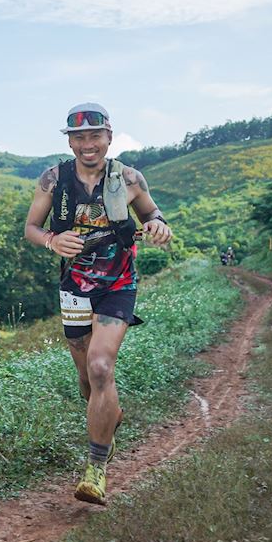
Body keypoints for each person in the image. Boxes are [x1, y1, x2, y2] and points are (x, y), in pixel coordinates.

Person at [24, 102, 173, 505]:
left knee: (102, 366)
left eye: (95, 136)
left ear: (109, 136)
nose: (87, 145)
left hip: (118, 284)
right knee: (88, 382)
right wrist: (53, 240)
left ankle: (96, 469)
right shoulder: (53, 180)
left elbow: (153, 214)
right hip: (74, 286)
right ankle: (109, 416)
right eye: (79, 137)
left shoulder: (129, 178)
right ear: (70, 142)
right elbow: (31, 227)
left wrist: (158, 225)